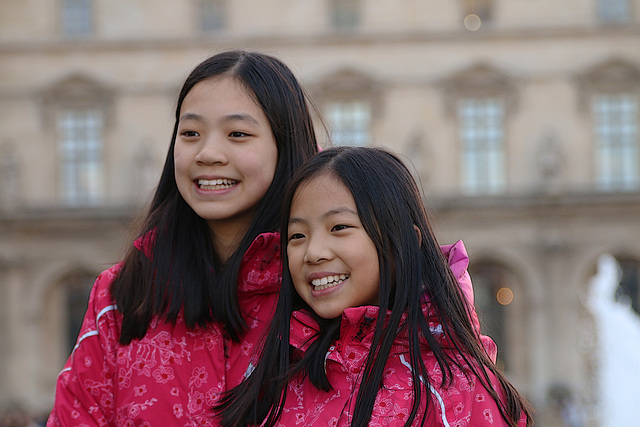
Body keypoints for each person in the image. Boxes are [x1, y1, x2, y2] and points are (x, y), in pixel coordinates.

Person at [46, 50, 318, 426]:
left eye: (237, 134)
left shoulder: (328, 290)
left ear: (284, 146)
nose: (207, 153)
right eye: (190, 133)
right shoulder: (121, 297)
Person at [216, 146, 533, 427]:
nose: (313, 253)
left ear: (403, 244)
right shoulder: (278, 379)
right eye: (297, 235)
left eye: (339, 227)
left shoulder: (457, 389)